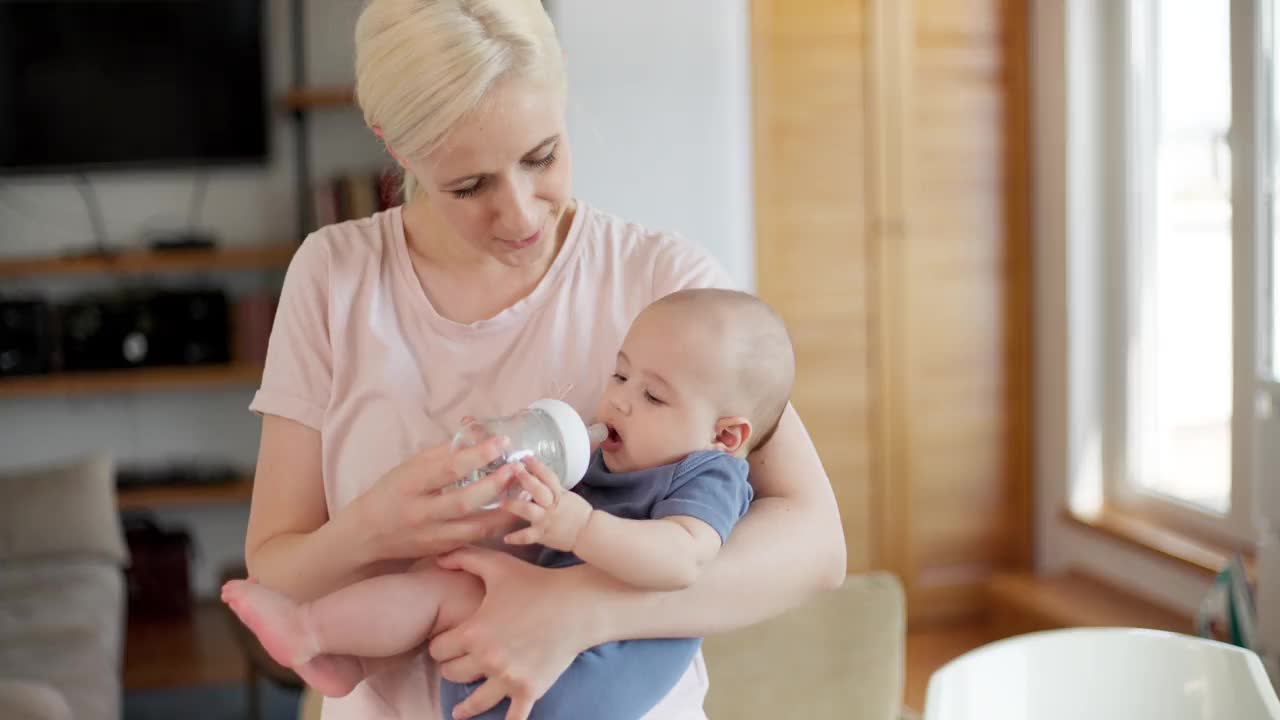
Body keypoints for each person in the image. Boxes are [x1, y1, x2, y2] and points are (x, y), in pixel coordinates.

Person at [242, 1, 847, 718]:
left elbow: (815, 547)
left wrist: (573, 606)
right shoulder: (336, 277)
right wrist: (378, 525)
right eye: (469, 186)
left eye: (542, 157)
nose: (523, 214)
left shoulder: (668, 287)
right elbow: (275, 572)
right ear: (393, 146)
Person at [225, 289, 792, 720]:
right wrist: (505, 458)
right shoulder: (613, 461)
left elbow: (682, 561)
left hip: (586, 675)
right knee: (442, 571)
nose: (618, 398)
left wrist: (579, 527)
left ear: (726, 436)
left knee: (450, 589)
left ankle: (312, 630)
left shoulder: (708, 474)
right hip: (511, 661)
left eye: (652, 395)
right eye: (620, 373)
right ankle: (344, 654)